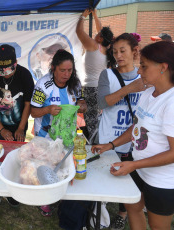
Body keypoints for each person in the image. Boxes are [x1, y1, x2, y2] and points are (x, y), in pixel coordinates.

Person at [92, 41, 174, 230]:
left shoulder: (171, 102)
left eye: (144, 66)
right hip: (139, 170)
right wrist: (110, 145)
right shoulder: (148, 93)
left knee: (157, 225)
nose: (139, 71)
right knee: (133, 208)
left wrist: (134, 164)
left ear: (163, 67)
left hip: (161, 180)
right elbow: (136, 127)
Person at [97, 33, 148, 230]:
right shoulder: (108, 75)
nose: (118, 55)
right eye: (115, 52)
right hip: (109, 137)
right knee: (107, 174)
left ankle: (123, 213)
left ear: (134, 51)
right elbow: (103, 102)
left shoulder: (145, 76)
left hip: (137, 140)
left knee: (131, 182)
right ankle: (100, 210)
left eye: (122, 51)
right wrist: (129, 89)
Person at [30, 49, 87, 216]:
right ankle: (46, 201)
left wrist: (83, 106)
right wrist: (47, 109)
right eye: (62, 70)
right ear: (53, 68)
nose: (66, 74)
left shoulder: (75, 84)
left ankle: (64, 199)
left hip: (67, 135)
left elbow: (82, 102)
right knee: (46, 168)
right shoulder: (43, 85)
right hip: (45, 136)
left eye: (70, 70)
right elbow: (33, 112)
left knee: (64, 168)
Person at [0, 44, 35, 214]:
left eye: (8, 70)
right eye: (1, 70)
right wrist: (1, 129)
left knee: (16, 159)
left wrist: (20, 128)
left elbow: (28, 104)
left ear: (15, 63)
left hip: (19, 124)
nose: (5, 73)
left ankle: (11, 191)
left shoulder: (25, 75)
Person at [76, 8, 114, 140]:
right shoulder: (107, 48)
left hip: (91, 88)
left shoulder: (93, 45)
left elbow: (79, 32)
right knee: (97, 118)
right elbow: (101, 30)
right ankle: (100, 140)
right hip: (102, 87)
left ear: (101, 38)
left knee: (91, 119)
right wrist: (96, 16)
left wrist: (83, 17)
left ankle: (94, 144)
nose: (96, 34)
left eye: (99, 34)